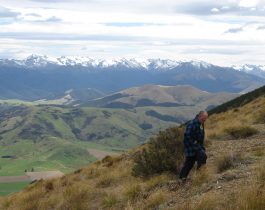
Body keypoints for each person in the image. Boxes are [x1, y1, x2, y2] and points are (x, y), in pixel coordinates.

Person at [179, 111, 208, 180]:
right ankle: (199, 175)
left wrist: (201, 146)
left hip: (196, 146)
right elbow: (187, 135)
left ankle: (182, 178)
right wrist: (196, 144)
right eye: (203, 119)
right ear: (199, 116)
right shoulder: (192, 124)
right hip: (191, 147)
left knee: (190, 162)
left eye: (205, 119)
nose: (204, 121)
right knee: (202, 156)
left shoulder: (200, 123)